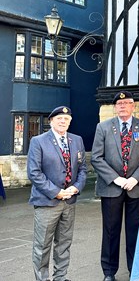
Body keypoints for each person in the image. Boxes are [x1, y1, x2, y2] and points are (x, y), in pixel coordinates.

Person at [91, 91, 139, 281]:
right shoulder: (103, 127)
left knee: (135, 231)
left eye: (126, 103)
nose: (122, 106)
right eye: (119, 104)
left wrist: (135, 179)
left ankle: (136, 271)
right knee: (110, 231)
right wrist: (116, 179)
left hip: (136, 187)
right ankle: (109, 272)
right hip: (111, 187)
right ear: (115, 107)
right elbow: (96, 157)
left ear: (133, 106)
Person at [27, 106, 87, 281]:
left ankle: (60, 277)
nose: (63, 121)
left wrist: (76, 187)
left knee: (64, 244)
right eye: (59, 118)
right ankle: (42, 279)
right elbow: (34, 173)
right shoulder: (38, 141)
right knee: (42, 246)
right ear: (51, 121)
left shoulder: (77, 140)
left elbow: (83, 168)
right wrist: (56, 192)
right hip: (47, 202)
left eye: (66, 119)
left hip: (69, 202)